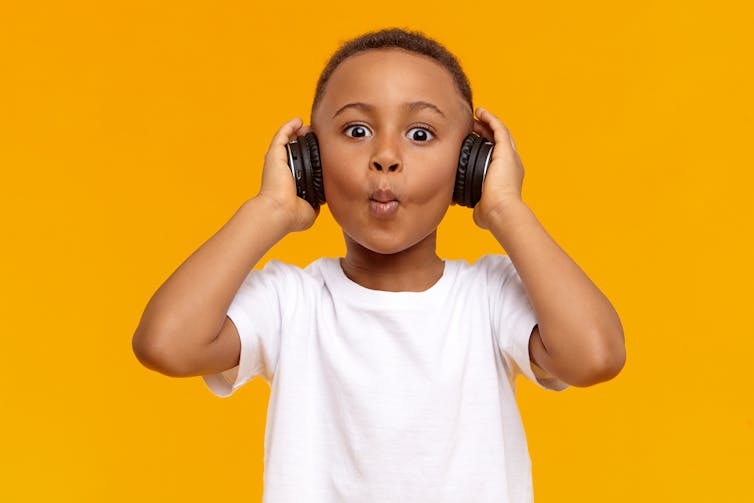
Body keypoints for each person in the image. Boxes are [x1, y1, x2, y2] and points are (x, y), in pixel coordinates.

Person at [132, 27, 625, 503]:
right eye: (357, 130)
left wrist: (505, 208)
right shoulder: (292, 303)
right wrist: (271, 209)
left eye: (420, 133)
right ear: (310, 158)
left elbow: (595, 355)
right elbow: (166, 344)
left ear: (470, 160)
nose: (385, 157)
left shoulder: (489, 298)